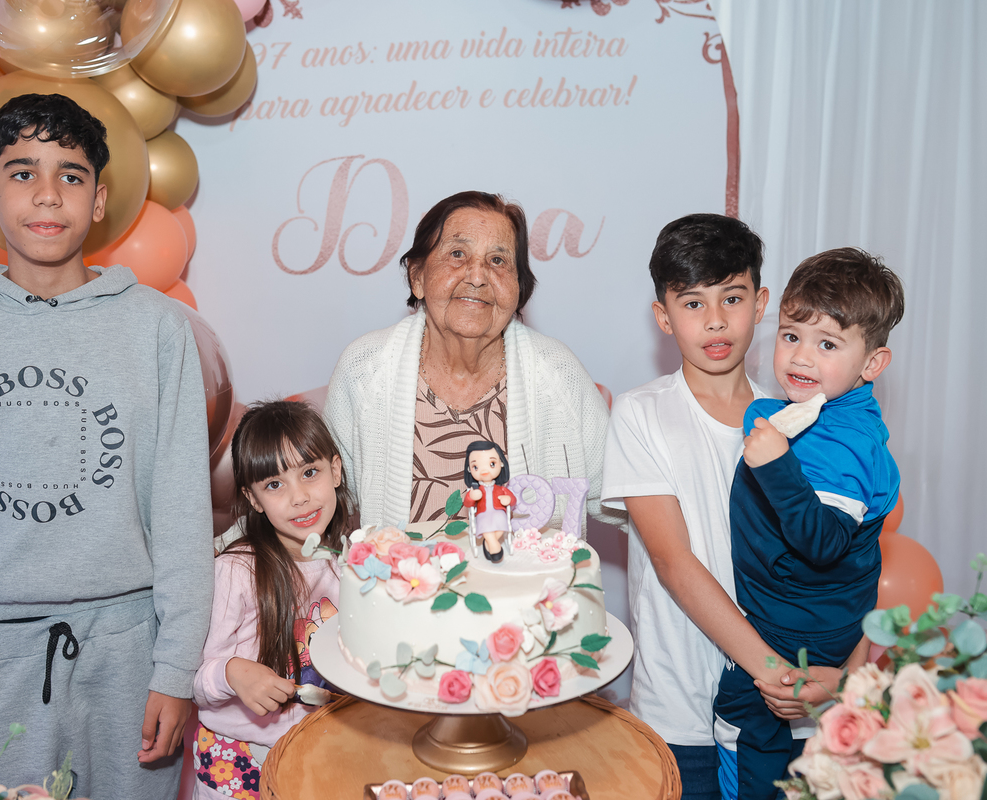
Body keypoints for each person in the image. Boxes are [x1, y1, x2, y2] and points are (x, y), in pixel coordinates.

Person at [0, 94, 213, 799]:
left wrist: (176, 669)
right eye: (22, 172)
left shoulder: (159, 329)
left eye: (70, 175)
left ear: (99, 200)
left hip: (133, 653)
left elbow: (183, 513)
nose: (46, 194)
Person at [601, 214, 851, 800]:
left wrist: (843, 675)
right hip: (682, 716)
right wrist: (774, 672)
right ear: (663, 316)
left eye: (732, 298)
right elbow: (674, 562)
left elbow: (842, 557)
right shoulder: (641, 414)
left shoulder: (802, 420)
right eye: (693, 303)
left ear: (760, 304)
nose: (715, 320)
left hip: (789, 716)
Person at [714, 248, 903, 800]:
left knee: (742, 727)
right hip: (800, 614)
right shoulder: (817, 414)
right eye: (791, 335)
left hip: (794, 627)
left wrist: (775, 465)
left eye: (828, 345)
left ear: (872, 364)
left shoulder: (842, 443)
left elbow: (823, 542)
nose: (801, 356)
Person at [324, 190, 619, 533]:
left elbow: (627, 499)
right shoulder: (365, 368)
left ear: (519, 288)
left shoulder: (558, 373)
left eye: (498, 261)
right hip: (402, 570)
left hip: (524, 571)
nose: (477, 276)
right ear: (417, 277)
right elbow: (321, 498)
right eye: (457, 254)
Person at [192, 401, 351, 799]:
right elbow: (192, 676)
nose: (300, 497)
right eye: (275, 485)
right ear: (254, 498)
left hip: (319, 749)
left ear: (335, 470)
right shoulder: (236, 572)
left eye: (309, 473)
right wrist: (231, 672)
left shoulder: (349, 564)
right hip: (239, 759)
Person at [463, 440, 515, 561]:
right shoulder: (476, 489)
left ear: (501, 463)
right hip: (483, 513)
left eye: (492, 464)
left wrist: (508, 499)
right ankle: (494, 545)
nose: (484, 471)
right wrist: (472, 496)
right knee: (485, 524)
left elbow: (513, 500)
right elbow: (467, 503)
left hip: (498, 512)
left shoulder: (500, 488)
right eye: (476, 467)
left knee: (501, 523)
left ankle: (488, 543)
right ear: (469, 469)